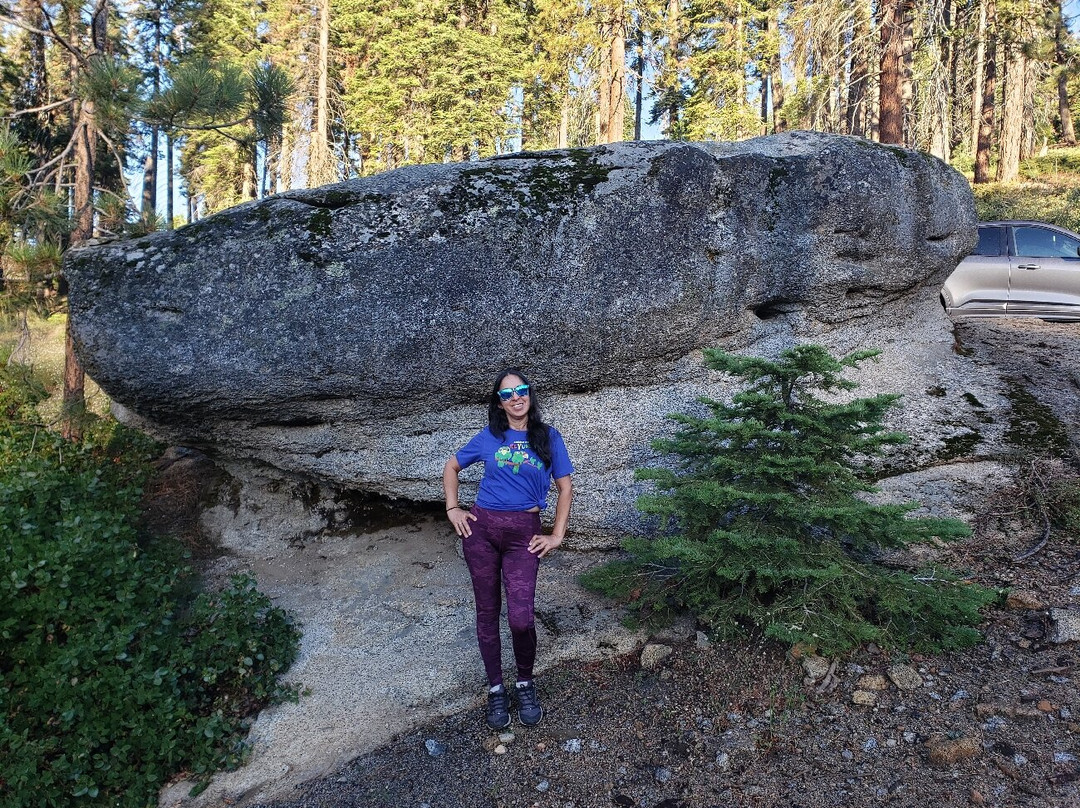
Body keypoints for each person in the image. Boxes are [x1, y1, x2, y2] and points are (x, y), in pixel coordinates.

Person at [442, 368, 574, 729]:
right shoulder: (489, 437)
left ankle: (525, 682)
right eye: (507, 394)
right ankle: (497, 689)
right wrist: (453, 508)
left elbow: (565, 488)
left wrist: (556, 534)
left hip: (523, 536)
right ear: (499, 403)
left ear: (530, 394)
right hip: (481, 532)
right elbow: (452, 466)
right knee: (487, 613)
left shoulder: (548, 437)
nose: (516, 397)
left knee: (520, 618)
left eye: (522, 390)